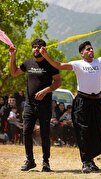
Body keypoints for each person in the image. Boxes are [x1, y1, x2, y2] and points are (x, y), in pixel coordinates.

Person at [40, 28, 101, 173]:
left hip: (97, 102)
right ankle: (85, 162)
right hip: (82, 102)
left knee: (97, 130)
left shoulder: (99, 62)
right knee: (83, 131)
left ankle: (91, 160)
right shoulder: (77, 64)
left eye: (91, 49)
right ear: (82, 53)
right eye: (88, 49)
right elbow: (59, 65)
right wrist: (46, 56)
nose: (91, 51)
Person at [9, 39, 61, 172]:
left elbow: (57, 82)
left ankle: (45, 162)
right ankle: (30, 161)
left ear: (44, 49)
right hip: (30, 105)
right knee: (26, 132)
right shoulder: (28, 63)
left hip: (44, 105)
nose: (36, 49)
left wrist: (46, 91)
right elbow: (14, 73)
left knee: (44, 133)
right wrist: (12, 56)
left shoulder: (50, 64)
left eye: (39, 47)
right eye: (34, 47)